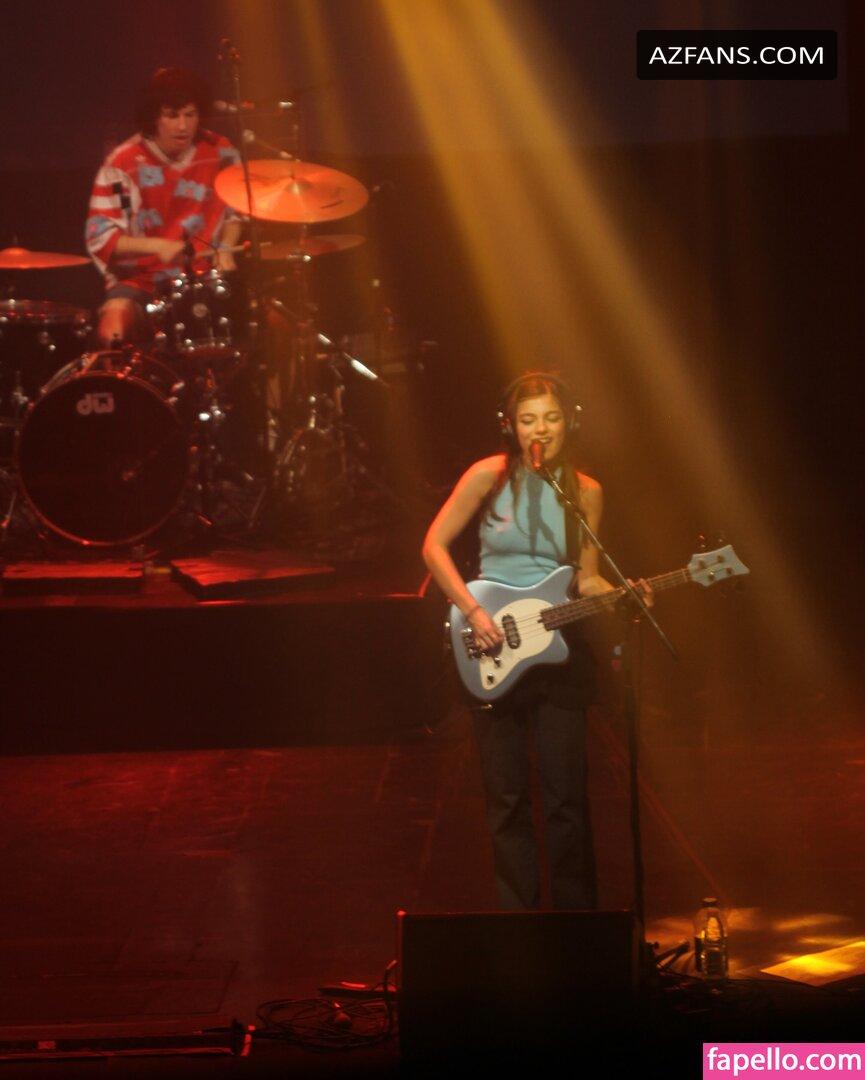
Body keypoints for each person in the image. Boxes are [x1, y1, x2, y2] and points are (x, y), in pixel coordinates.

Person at [422, 371, 650, 911]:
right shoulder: (488, 476)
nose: (539, 430)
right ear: (511, 426)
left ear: (569, 422)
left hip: (557, 646)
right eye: (528, 420)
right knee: (506, 796)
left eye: (550, 418)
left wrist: (625, 594)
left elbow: (586, 578)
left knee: (567, 796)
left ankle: (575, 923)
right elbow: (433, 545)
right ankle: (518, 920)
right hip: (492, 639)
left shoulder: (585, 491)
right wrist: (472, 610)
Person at [85, 67, 243, 347]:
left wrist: (226, 248)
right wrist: (158, 246)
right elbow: (100, 236)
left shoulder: (221, 152)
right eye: (172, 116)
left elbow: (236, 213)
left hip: (204, 278)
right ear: (154, 117)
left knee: (270, 317)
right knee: (112, 329)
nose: (183, 126)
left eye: (190, 115)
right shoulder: (123, 162)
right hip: (140, 282)